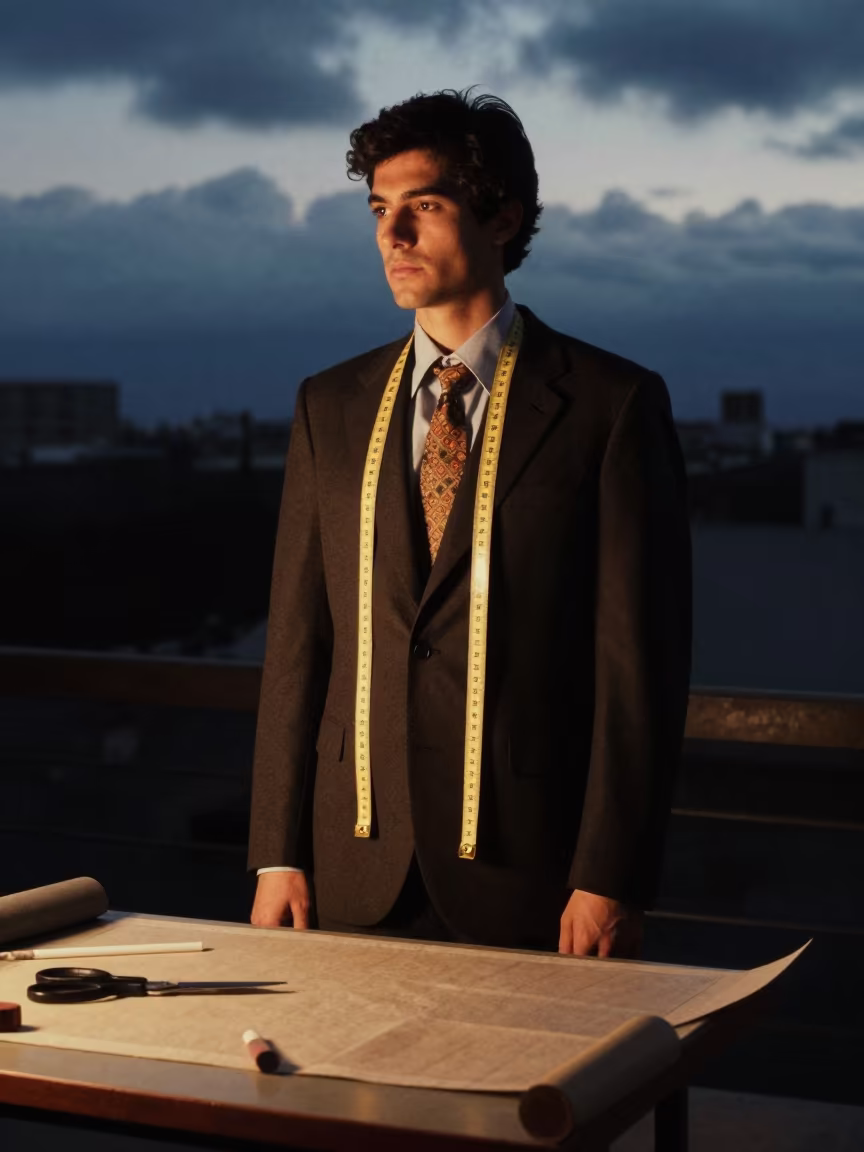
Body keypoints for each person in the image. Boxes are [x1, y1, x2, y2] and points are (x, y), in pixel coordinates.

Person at [248, 90, 691, 956]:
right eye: (380, 209)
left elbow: (639, 664)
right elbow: (299, 644)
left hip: (535, 867)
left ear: (501, 216)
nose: (392, 235)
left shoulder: (611, 404)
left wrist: (611, 872)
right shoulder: (328, 405)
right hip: (349, 862)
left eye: (425, 205)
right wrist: (275, 852)